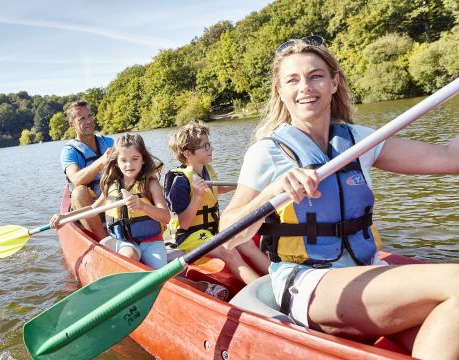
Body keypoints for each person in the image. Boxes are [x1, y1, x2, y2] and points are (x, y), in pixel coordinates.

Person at [219, 36, 459, 359]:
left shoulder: (359, 141)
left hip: (367, 270)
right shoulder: (267, 153)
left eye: (316, 75)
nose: (305, 86)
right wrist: (274, 191)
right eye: (293, 79)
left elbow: (449, 159)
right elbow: (229, 233)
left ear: (334, 83)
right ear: (280, 91)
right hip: (307, 283)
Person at [164, 121, 270, 285]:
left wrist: (247, 186)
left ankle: (278, 283)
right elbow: (184, 223)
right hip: (189, 236)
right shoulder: (179, 181)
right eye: (205, 146)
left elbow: (215, 190)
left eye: (209, 144)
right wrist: (197, 196)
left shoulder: (206, 170)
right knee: (229, 252)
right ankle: (263, 291)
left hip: (211, 230)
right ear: (187, 153)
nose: (211, 149)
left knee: (246, 242)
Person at [52, 133, 169, 269]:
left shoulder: (151, 184)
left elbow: (166, 217)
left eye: (135, 159)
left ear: (143, 159)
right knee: (129, 257)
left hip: (152, 241)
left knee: (161, 271)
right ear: (116, 162)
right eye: (123, 160)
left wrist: (142, 206)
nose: (129, 165)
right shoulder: (111, 185)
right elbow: (92, 210)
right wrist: (64, 217)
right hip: (125, 242)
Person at [60, 101, 114, 240]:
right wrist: (102, 160)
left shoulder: (108, 142)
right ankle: (105, 242)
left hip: (110, 197)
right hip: (89, 206)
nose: (89, 121)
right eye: (82, 118)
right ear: (72, 124)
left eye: (89, 116)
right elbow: (76, 179)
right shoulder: (69, 152)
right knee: (79, 192)